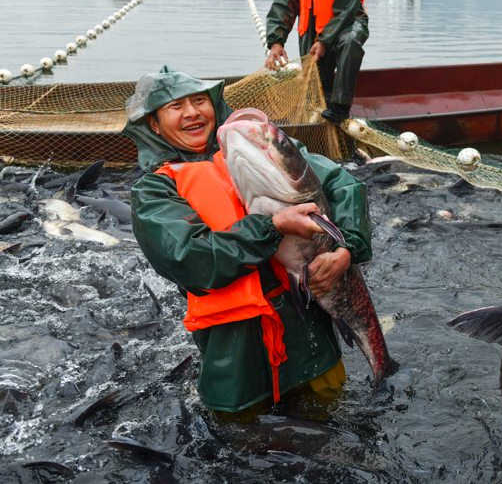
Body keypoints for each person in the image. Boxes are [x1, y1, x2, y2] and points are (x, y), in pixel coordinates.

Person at [122, 65, 372, 415]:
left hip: (311, 342)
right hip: (237, 361)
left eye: (199, 101)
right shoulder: (153, 191)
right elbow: (192, 260)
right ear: (153, 124)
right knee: (245, 448)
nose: (192, 113)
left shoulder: (256, 146)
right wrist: (272, 226)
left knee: (339, 419)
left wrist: (348, 248)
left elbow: (344, 185)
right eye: (176, 107)